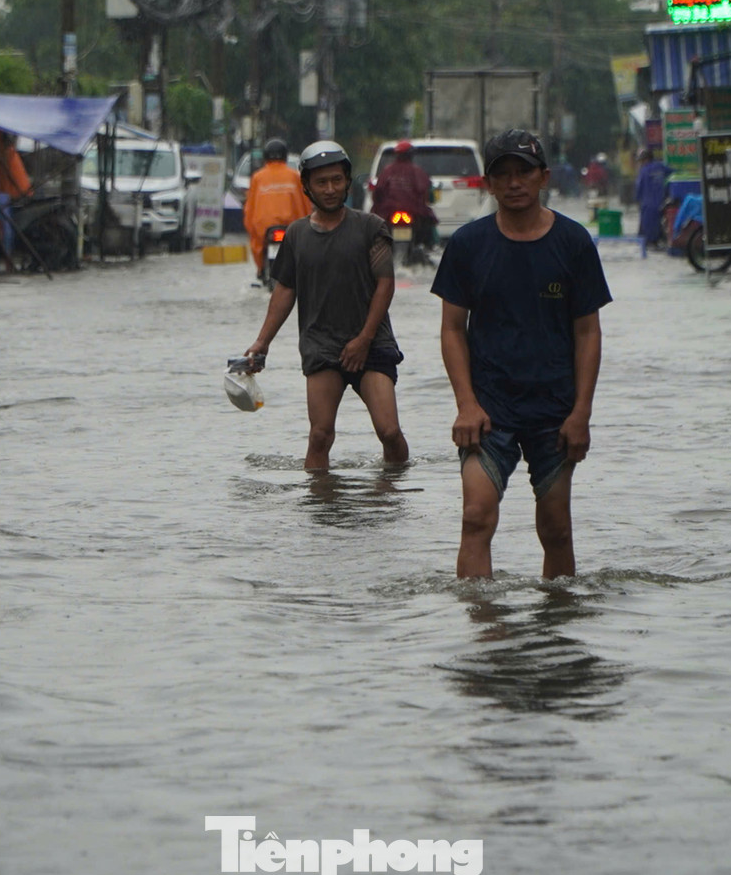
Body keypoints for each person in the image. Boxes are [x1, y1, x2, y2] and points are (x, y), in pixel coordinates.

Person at [431, 129, 611, 580]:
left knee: (556, 530)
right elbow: (452, 329)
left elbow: (588, 332)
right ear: (488, 183)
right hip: (488, 409)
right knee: (475, 516)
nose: (514, 183)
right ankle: (483, 636)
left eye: (523, 172)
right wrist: (466, 404)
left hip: (554, 409)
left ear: (543, 177)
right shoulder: (468, 245)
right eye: (502, 174)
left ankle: (556, 631)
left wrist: (581, 413)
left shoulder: (573, 243)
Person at [244, 140, 410, 471]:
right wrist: (262, 343)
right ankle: (319, 507)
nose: (330, 189)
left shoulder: (371, 227)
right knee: (320, 436)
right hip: (321, 346)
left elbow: (385, 284)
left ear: (348, 182)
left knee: (389, 431)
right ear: (306, 186)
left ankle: (394, 494)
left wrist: (363, 339)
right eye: (321, 182)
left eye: (337, 180)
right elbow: (285, 291)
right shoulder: (296, 235)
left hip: (372, 343)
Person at [243, 138, 311, 285]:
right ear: (285, 156)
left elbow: (250, 209)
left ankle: (261, 270)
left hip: (264, 228)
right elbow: (306, 205)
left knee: (257, 241)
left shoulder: (258, 177)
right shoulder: (295, 176)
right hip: (291, 226)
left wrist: (252, 228)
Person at [369, 139, 437, 250]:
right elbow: (425, 193)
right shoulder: (418, 172)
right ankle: (430, 247)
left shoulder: (387, 171)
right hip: (414, 212)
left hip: (388, 212)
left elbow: (377, 193)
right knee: (429, 227)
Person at [634, 148, 673, 256]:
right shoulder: (660, 166)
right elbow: (673, 174)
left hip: (647, 204)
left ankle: (649, 243)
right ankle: (656, 241)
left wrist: (637, 199)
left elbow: (639, 187)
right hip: (661, 203)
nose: (640, 163)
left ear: (646, 159)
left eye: (641, 160)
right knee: (658, 224)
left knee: (647, 227)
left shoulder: (644, 171)